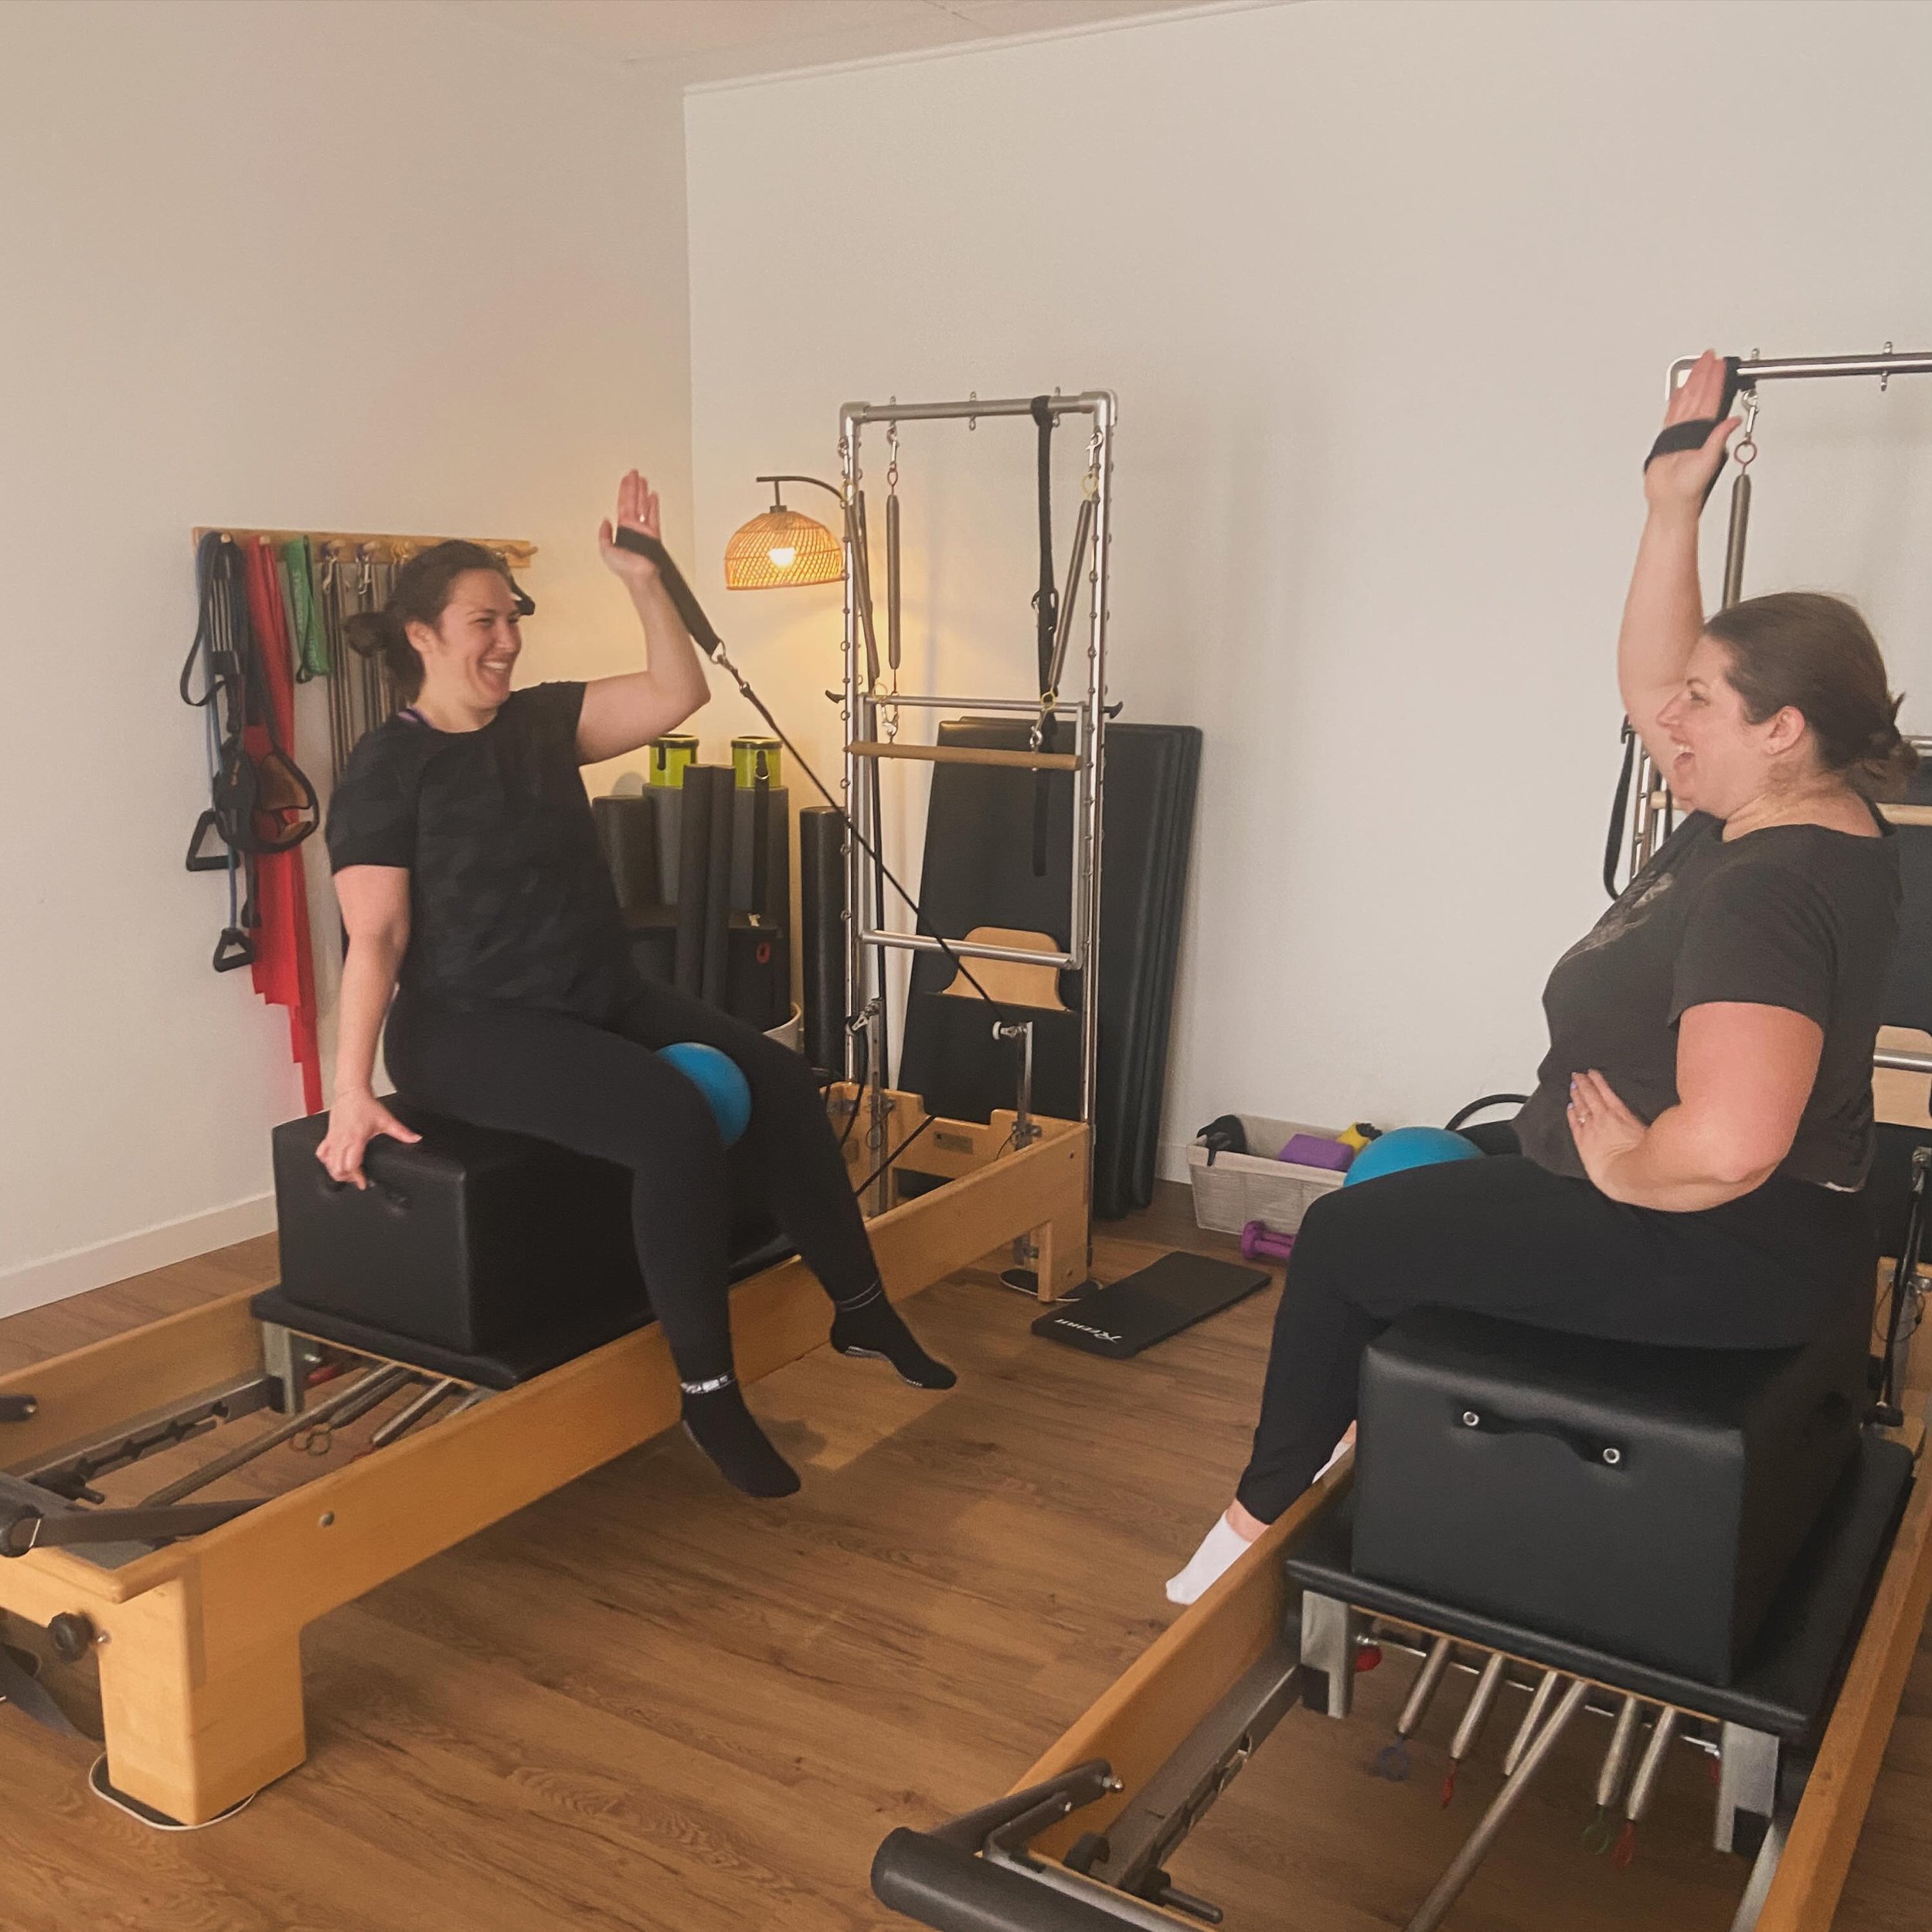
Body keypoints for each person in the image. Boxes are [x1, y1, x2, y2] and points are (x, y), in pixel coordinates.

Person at [1168, 352, 1913, 1606]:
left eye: (1701, 706)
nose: (1666, 719)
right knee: (1437, 1174)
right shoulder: (1801, 807)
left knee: (1347, 1235)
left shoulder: (1766, 890)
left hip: (1711, 1243)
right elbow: (1649, 682)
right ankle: (1371, 1422)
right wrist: (1671, 510)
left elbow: (1730, 1144)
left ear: (1780, 727)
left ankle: (1259, 1519)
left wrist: (1625, 1166)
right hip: (1754, 1227)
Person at [316, 474, 953, 1500]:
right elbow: (377, 935)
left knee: (786, 1086)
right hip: (469, 1025)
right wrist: (349, 1090)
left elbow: (676, 692)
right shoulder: (387, 769)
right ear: (423, 635)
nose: (507, 639)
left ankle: (861, 1305)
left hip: (592, 989)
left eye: (513, 618)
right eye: (484, 621)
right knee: (671, 1123)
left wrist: (646, 578)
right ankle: (708, 1395)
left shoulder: (537, 724)